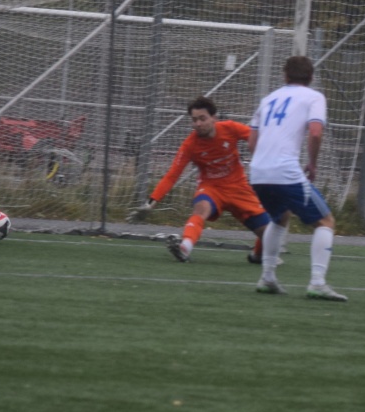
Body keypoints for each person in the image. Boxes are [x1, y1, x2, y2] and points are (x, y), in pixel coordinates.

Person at [248, 55, 346, 302]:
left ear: (285, 75)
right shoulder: (314, 97)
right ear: (311, 77)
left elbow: (251, 142)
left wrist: (265, 162)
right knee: (325, 221)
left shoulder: (268, 99)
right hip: (285, 171)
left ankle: (267, 277)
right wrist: (312, 163)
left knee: (280, 217)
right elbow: (315, 132)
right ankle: (317, 283)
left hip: (258, 171)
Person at [130, 96, 271, 263]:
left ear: (214, 118)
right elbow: (172, 175)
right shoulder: (190, 145)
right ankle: (184, 248)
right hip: (211, 188)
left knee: (269, 232)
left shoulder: (230, 128)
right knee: (201, 208)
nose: (198, 123)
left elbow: (258, 139)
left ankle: (257, 255)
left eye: (202, 118)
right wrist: (151, 203)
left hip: (238, 187)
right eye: (194, 120)